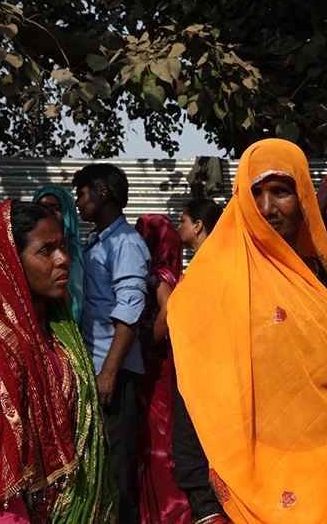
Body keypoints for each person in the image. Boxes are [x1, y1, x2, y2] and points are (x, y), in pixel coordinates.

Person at [167, 138, 327, 523]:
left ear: (304, 196)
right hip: (247, 492)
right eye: (254, 193)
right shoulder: (213, 283)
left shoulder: (322, 282)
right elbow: (192, 397)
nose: (267, 208)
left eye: (281, 192)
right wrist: (205, 508)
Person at [0, 201, 116, 523]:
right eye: (45, 251)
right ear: (10, 264)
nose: (63, 259)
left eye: (62, 247)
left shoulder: (59, 328)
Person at [73, 163, 150, 523]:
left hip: (114, 374)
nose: (77, 201)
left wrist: (108, 371)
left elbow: (130, 310)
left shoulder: (126, 243)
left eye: (82, 192)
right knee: (95, 473)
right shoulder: (97, 242)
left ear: (101, 192)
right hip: (98, 369)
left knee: (118, 473)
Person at [134, 214, 191, 524]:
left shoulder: (159, 273)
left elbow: (169, 310)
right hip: (167, 365)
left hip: (157, 366)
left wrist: (149, 342)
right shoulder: (174, 272)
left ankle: (165, 511)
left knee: (157, 439)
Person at [34, 184, 86, 322]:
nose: (49, 213)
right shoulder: (29, 252)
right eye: (43, 207)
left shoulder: (77, 256)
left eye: (56, 208)